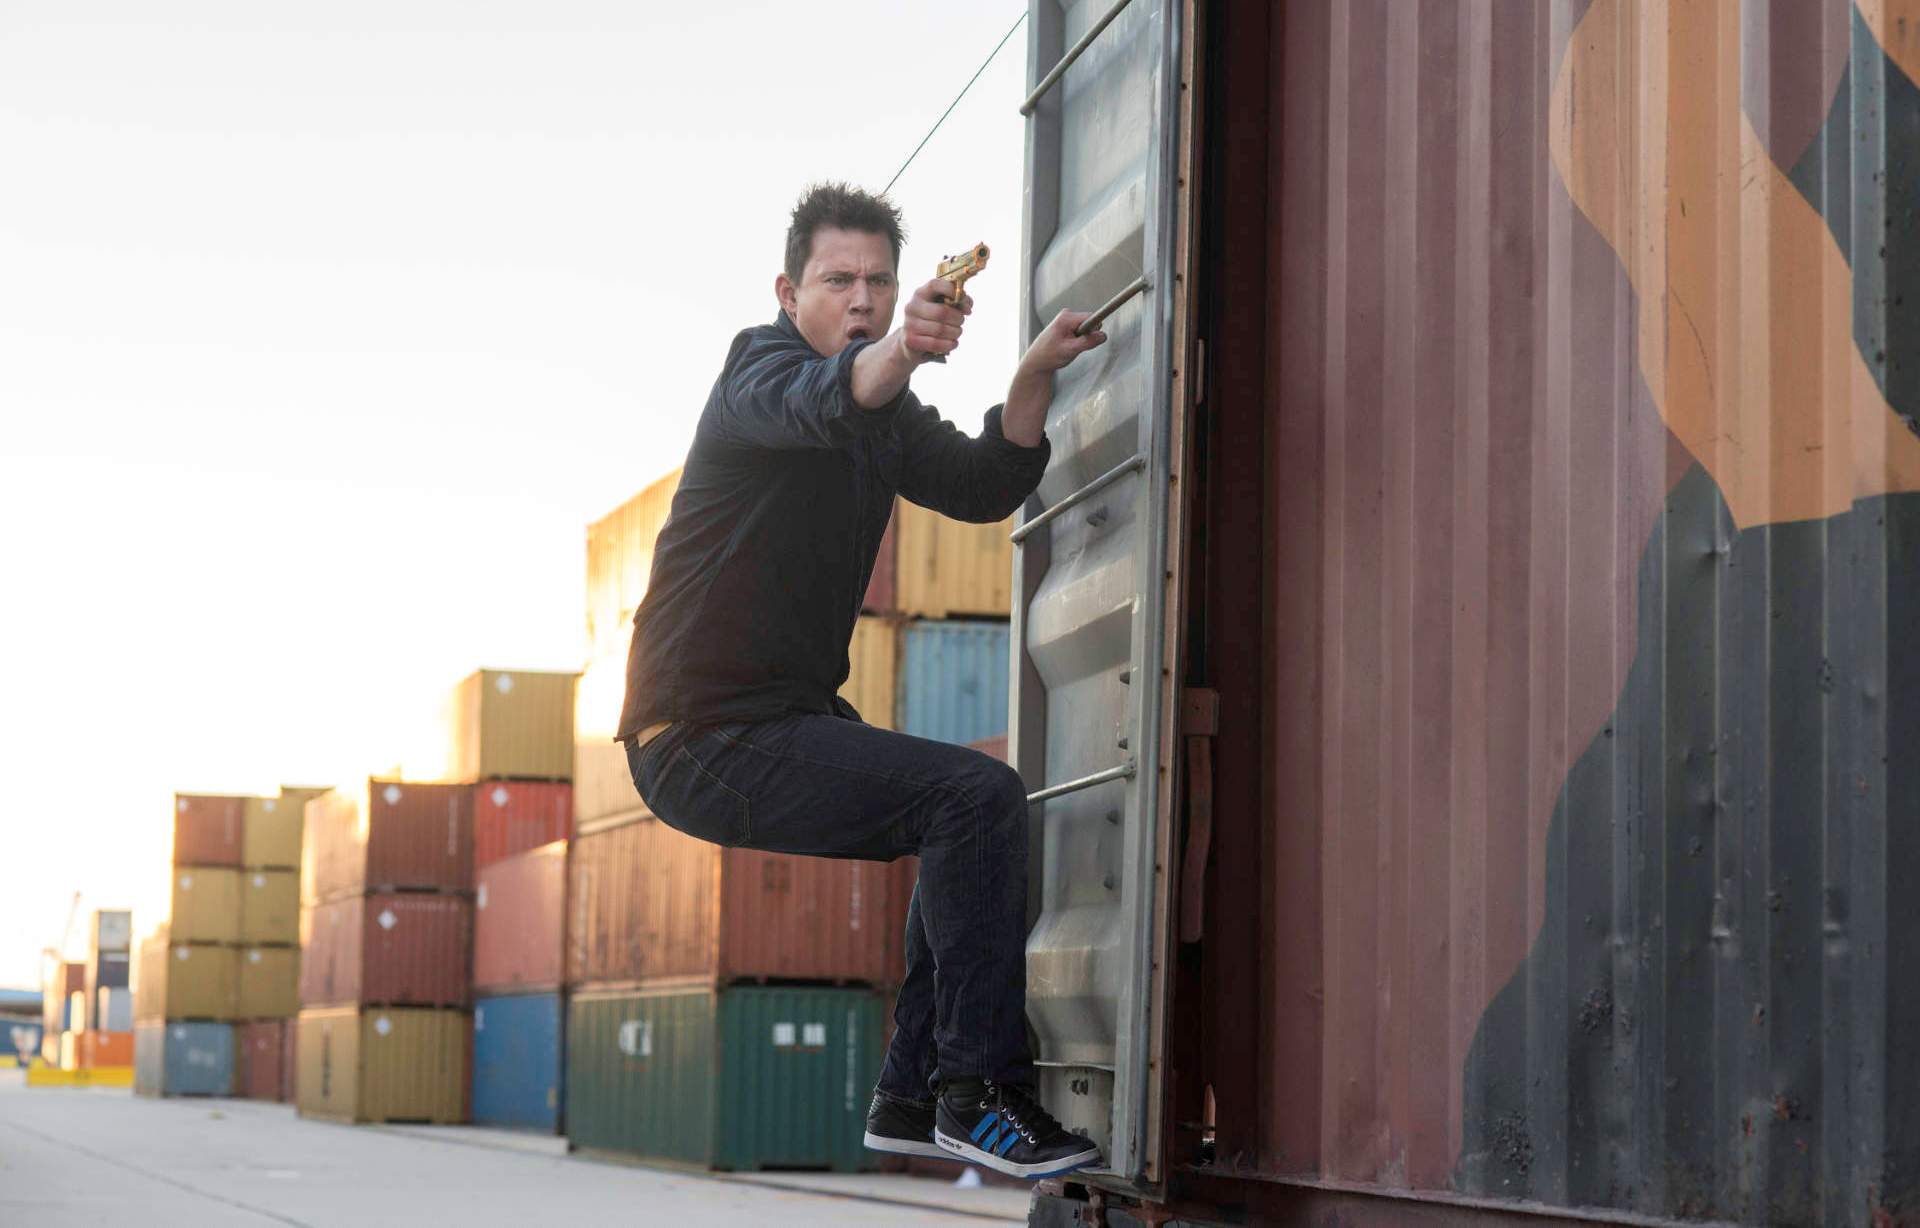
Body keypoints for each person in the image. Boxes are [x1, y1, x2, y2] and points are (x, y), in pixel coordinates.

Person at [616, 182, 1108, 1179]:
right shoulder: (756, 372)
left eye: (880, 282)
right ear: (788, 292)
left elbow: (982, 485)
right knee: (973, 796)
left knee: (961, 813)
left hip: (774, 721)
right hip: (698, 733)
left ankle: (911, 1095)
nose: (862, 298)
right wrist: (903, 351)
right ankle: (976, 1092)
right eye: (838, 280)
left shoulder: (887, 416)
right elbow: (828, 396)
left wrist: (1029, 376)